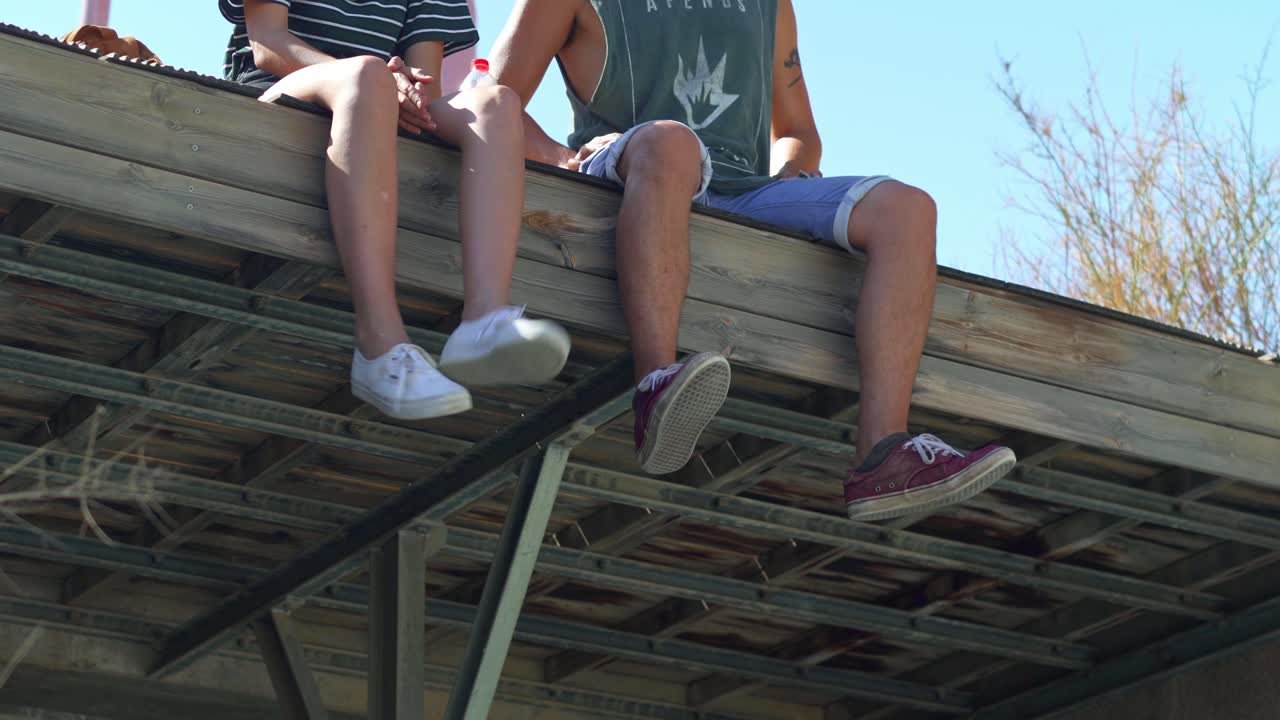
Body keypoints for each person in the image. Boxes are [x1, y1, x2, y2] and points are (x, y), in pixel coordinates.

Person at [488, 0, 1015, 518]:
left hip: (744, 190)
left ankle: (883, 454)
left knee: (907, 209)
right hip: (629, 169)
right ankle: (656, 385)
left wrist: (791, 175)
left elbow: (799, 133)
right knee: (672, 142)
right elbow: (492, 96)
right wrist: (563, 158)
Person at [219, 0, 570, 421]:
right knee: (366, 73)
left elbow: (427, 84)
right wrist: (382, 81)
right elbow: (267, 44)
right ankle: (379, 342)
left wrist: (407, 90)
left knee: (495, 103)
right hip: (281, 88)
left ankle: (485, 319)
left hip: (379, 97)